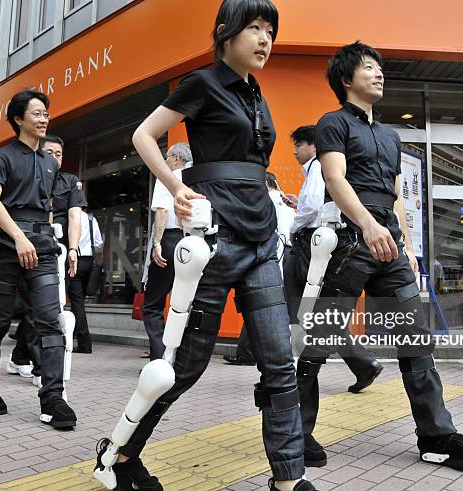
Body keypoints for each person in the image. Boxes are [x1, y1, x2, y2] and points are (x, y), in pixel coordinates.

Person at [95, 2, 314, 490]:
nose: (265, 39)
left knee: (280, 361)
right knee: (186, 365)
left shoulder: (255, 92)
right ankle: (121, 452)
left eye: (270, 31)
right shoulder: (202, 82)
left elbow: (249, 164)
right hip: (214, 241)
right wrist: (175, 188)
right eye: (254, 28)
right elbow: (144, 135)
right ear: (225, 33)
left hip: (260, 240)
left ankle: (288, 479)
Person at [303, 41, 463, 470]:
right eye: (369, 68)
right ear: (346, 79)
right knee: (320, 339)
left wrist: (407, 245)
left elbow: (397, 195)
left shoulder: (390, 134)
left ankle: (436, 436)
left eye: (379, 68)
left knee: (416, 341)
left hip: (391, 246)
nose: (379, 74)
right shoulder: (332, 123)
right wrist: (368, 225)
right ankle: (295, 432)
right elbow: (334, 178)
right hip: (351, 240)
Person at [283, 125, 383, 467]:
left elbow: (312, 206)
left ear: (313, 144)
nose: (295, 152)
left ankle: (299, 430)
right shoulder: (330, 167)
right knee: (317, 326)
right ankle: (363, 365)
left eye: (298, 145)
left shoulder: (320, 165)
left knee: (305, 329)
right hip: (328, 252)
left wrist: (294, 227)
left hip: (310, 251)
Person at [0, 89, 76, 429]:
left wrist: (49, 240)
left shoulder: (51, 162)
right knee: (0, 321)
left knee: (51, 321)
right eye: (36, 113)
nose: (44, 117)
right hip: (8, 248)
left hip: (44, 249)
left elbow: (46, 209)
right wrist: (18, 237)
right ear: (19, 119)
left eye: (45, 112)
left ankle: (53, 399)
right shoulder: (2, 157)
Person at [8, 134, 86, 381]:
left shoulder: (70, 181)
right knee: (36, 308)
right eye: (50, 152)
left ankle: (20, 358)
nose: (55, 158)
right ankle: (40, 368)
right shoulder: (27, 179)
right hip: (30, 248)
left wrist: (73, 249)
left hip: (58, 252)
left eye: (59, 154)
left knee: (45, 308)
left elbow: (75, 216)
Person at [223, 171, 294, 366]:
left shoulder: (266, 202)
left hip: (270, 253)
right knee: (270, 304)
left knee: (258, 302)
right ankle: (253, 352)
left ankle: (248, 353)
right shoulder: (286, 202)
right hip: (288, 254)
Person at [143, 142, 192, 360]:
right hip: (194, 244)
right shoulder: (197, 180)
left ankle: (160, 359)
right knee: (183, 305)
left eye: (167, 155)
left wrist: (157, 244)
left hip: (171, 241)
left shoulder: (168, 179)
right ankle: (180, 359)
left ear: (176, 159)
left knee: (153, 304)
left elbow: (162, 211)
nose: (165, 160)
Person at [69, 208, 104, 353]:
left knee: (77, 302)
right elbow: (99, 244)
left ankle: (85, 343)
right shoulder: (90, 219)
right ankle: (70, 337)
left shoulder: (70, 217)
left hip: (74, 261)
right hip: (89, 262)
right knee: (78, 302)